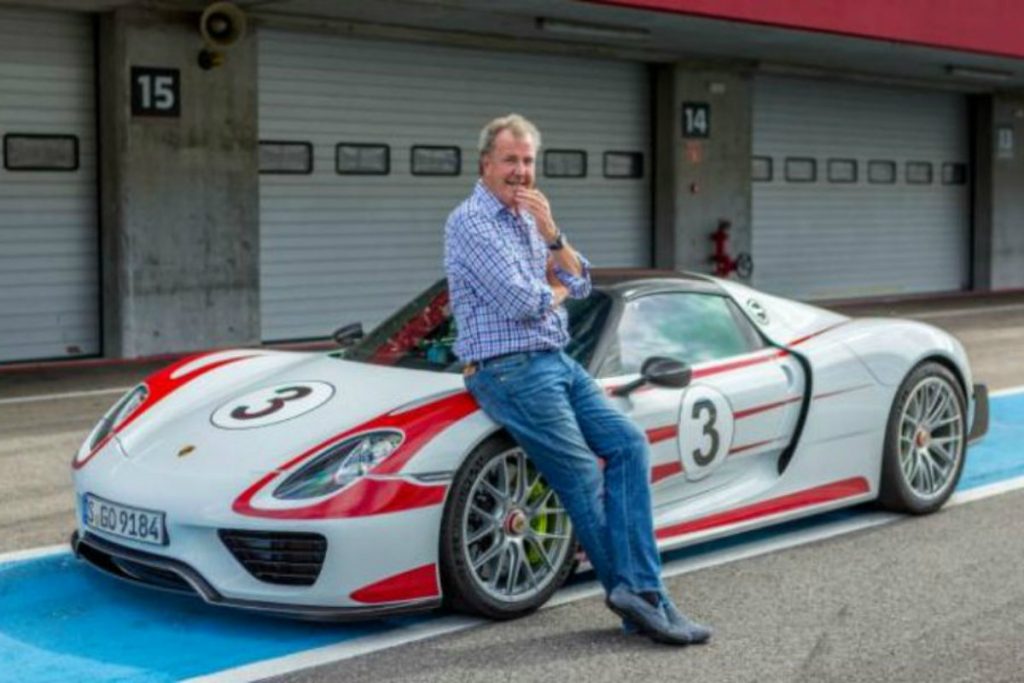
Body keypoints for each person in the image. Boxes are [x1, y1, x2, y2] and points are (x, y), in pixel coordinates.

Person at [443, 113, 711, 646]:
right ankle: (648, 598)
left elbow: (583, 280)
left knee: (629, 444)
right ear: (485, 163)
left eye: (527, 161)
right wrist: (556, 284)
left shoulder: (528, 218)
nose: (521, 171)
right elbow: (524, 301)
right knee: (584, 478)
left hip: (554, 359)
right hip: (507, 369)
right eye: (510, 160)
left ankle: (639, 594)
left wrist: (552, 235)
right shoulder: (470, 223)